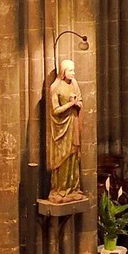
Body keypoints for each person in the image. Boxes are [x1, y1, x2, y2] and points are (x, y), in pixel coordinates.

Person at [47, 58, 83, 200]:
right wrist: (70, 104)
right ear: (63, 72)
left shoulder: (74, 84)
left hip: (73, 124)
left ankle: (73, 188)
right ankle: (60, 189)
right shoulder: (55, 87)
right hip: (61, 128)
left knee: (73, 157)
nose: (73, 73)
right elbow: (55, 110)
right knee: (62, 158)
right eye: (70, 70)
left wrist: (78, 104)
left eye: (74, 70)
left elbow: (79, 100)